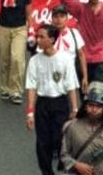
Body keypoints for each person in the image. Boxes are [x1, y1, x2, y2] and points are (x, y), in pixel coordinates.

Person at [24, 24, 79, 175]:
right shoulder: (35, 60)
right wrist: (30, 112)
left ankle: (64, 165)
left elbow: (71, 85)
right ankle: (47, 172)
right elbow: (31, 86)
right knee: (42, 142)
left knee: (59, 138)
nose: (38, 39)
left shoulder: (65, 59)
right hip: (43, 104)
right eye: (37, 36)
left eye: (42, 37)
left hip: (60, 103)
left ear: (52, 39)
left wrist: (75, 109)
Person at [60, 83, 103, 175]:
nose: (94, 110)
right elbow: (64, 156)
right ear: (85, 106)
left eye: (98, 106)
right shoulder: (71, 127)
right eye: (91, 105)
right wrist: (76, 165)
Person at [50, 5, 89, 94]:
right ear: (52, 19)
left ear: (67, 18)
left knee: (73, 105)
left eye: (62, 16)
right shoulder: (48, 35)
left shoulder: (74, 33)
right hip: (53, 77)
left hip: (71, 76)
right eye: (56, 17)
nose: (59, 20)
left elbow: (81, 55)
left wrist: (85, 77)